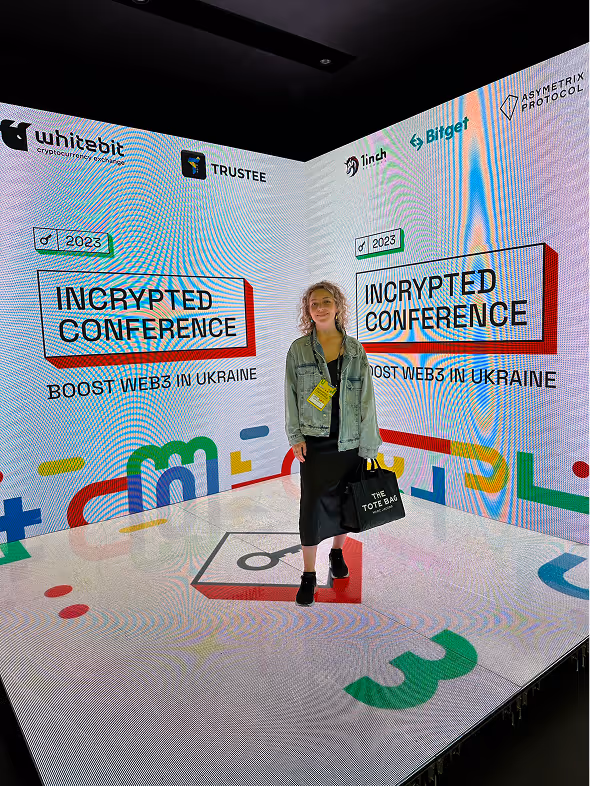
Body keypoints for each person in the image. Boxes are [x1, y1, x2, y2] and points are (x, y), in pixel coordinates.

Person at [284, 281, 381, 607]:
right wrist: (296, 436)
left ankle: (337, 552)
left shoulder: (355, 350)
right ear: (308, 310)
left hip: (349, 442)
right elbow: (292, 396)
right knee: (310, 508)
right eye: (314, 303)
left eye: (327, 301)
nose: (320, 307)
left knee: (345, 504)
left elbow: (367, 400)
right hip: (315, 443)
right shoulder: (298, 350)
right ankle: (308, 575)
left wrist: (369, 444)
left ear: (338, 306)